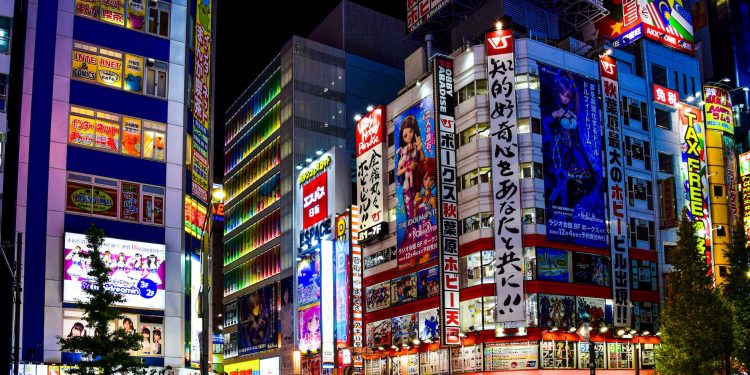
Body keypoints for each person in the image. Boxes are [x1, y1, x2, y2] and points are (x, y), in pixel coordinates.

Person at [542, 70, 595, 210]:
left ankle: (570, 201)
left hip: (575, 149)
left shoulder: (572, 112)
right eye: (563, 95)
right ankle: (552, 202)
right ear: (558, 94)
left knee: (582, 178)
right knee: (561, 179)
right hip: (561, 149)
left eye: (568, 96)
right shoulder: (557, 112)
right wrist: (553, 137)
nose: (566, 99)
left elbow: (576, 132)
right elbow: (545, 124)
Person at [396, 115, 425, 223]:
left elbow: (423, 160)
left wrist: (420, 147)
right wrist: (408, 167)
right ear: (402, 137)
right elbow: (398, 172)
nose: (409, 136)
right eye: (405, 135)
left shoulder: (417, 146)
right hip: (407, 187)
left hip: (418, 184)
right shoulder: (402, 151)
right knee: (410, 216)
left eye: (411, 132)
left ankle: (419, 232)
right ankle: (411, 233)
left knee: (418, 211)